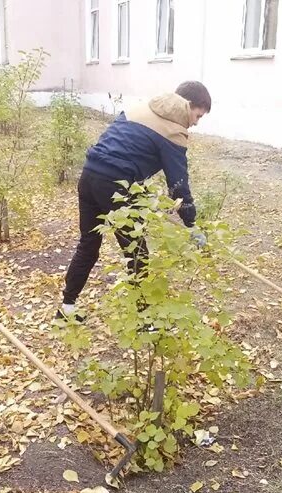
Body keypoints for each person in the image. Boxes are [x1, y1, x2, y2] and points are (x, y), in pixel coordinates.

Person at [56, 81, 211, 322]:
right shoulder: (173, 132)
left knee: (88, 244)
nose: (196, 122)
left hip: (89, 175)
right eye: (197, 115)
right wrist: (192, 224)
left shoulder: (140, 109)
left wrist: (140, 195)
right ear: (187, 105)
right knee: (137, 253)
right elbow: (178, 185)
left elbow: (122, 150)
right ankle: (144, 322)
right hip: (115, 185)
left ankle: (66, 308)